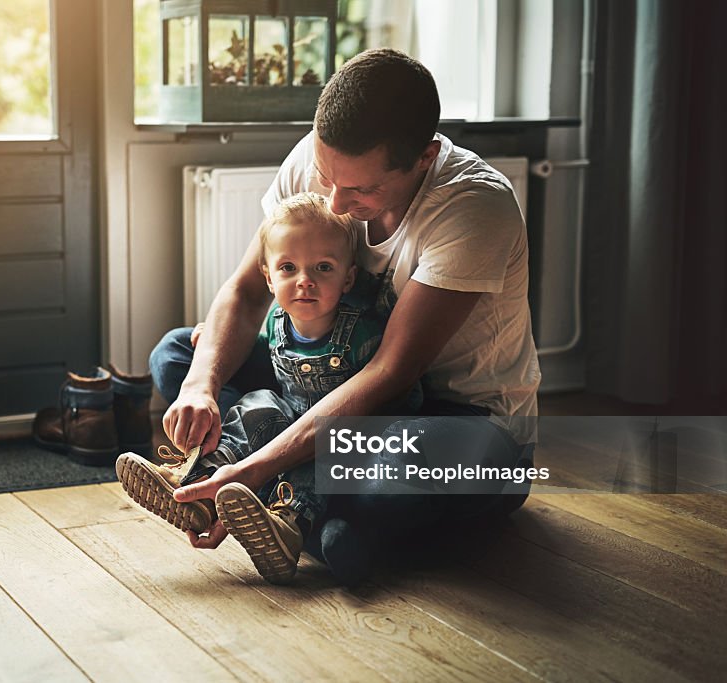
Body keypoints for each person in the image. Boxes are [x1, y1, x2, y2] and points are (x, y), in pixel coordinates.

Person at [151, 48, 541, 584]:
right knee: (178, 355)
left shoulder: (475, 206)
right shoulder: (322, 158)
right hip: (323, 384)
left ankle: (271, 493)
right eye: (325, 174)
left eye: (361, 188)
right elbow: (247, 291)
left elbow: (389, 373)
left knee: (386, 485)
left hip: (456, 420)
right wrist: (200, 386)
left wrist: (260, 464)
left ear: (425, 157)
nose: (334, 201)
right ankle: (300, 508)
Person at [117, 192, 419, 584]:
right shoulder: (278, 318)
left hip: (346, 434)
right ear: (268, 276)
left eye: (323, 268)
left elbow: (396, 392)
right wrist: (212, 338)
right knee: (258, 404)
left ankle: (288, 523)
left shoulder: (363, 330)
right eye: (288, 268)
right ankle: (200, 485)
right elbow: (261, 346)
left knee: (319, 456)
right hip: (290, 418)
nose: (305, 281)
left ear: (348, 277)